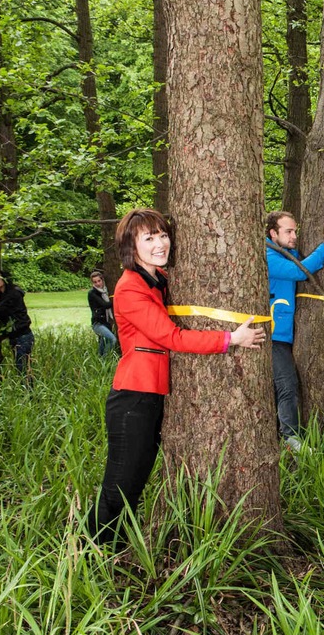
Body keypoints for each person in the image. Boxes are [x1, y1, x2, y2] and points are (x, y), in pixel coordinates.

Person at [87, 208, 265, 549]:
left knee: (134, 481)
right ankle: (92, 550)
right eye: (148, 238)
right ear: (130, 246)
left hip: (149, 397)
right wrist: (229, 339)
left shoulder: (157, 280)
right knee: (121, 484)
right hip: (132, 399)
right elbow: (172, 337)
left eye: (163, 234)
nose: (160, 243)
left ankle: (112, 546)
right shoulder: (130, 288)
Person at [266, 211, 324, 452]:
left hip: (286, 334)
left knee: (283, 385)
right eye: (288, 232)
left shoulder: (287, 253)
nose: (294, 236)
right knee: (287, 384)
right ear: (273, 233)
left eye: (295, 231)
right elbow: (301, 271)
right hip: (273, 335)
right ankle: (290, 438)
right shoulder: (268, 256)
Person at [0, 270, 34, 382]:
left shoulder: (12, 295)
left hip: (22, 336)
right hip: (16, 336)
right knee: (20, 366)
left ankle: (29, 394)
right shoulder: (4, 294)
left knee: (23, 367)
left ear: (5, 280)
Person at [88, 269, 117, 357]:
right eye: (95, 282)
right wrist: (117, 297)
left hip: (106, 323)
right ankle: (105, 360)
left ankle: (100, 362)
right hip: (97, 324)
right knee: (112, 339)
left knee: (103, 344)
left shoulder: (105, 292)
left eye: (99, 281)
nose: (97, 284)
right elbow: (105, 305)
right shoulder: (92, 293)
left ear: (102, 280)